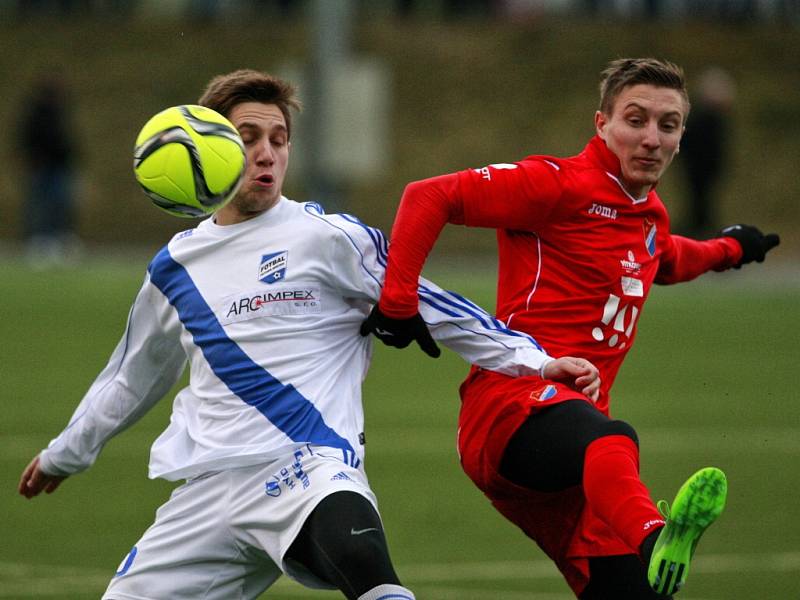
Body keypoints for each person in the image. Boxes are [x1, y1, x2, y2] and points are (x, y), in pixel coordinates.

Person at [17, 69, 601, 600]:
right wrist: (64, 455)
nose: (267, 153)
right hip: (205, 492)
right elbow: (129, 380)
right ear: (212, 146)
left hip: (305, 466)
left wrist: (535, 361)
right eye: (249, 137)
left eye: (279, 138)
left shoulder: (326, 237)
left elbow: (436, 303)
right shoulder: (174, 269)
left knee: (360, 558)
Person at [361, 58, 780, 599]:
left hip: (585, 470)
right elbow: (429, 195)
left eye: (668, 125)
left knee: (631, 593)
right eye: (636, 119)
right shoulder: (555, 184)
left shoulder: (648, 215)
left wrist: (732, 249)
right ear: (601, 123)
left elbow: (667, 259)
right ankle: (656, 536)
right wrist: (397, 301)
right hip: (510, 409)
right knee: (613, 439)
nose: (652, 138)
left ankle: (642, 554)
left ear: (680, 139)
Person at [17, 73, 82, 267]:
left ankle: (61, 240)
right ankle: (40, 243)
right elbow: (25, 139)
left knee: (61, 205)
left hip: (60, 166)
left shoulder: (59, 113)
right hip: (42, 168)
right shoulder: (35, 114)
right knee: (41, 205)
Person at [679, 67, 736, 237]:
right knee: (699, 203)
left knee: (703, 203)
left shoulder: (711, 120)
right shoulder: (703, 120)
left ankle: (701, 232)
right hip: (699, 169)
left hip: (705, 169)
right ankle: (699, 232)